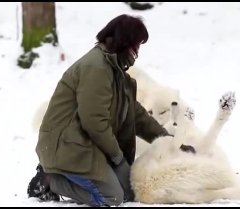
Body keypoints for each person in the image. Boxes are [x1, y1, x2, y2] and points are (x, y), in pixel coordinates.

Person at [27, 14, 170, 206]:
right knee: (113, 197)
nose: (137, 51)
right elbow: (94, 121)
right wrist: (117, 157)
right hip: (66, 147)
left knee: (131, 191)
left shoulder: (114, 69)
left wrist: (166, 139)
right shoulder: (96, 68)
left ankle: (67, 176)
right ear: (123, 42)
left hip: (85, 145)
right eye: (136, 45)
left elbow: (134, 112)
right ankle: (51, 180)